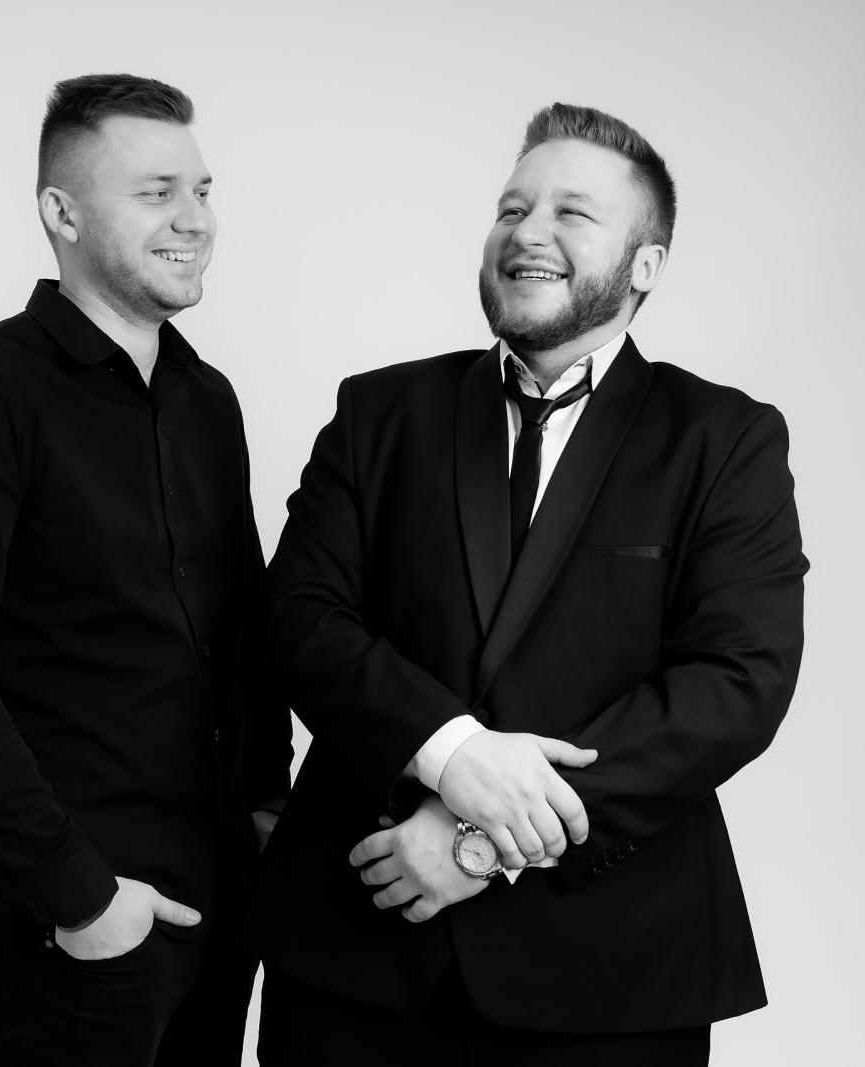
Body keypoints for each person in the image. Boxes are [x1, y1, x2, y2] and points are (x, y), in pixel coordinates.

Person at [254, 103, 807, 1066]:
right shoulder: (378, 411)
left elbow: (735, 683)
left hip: (610, 971)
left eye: (571, 212)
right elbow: (299, 619)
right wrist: (450, 753)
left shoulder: (724, 439)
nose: (528, 231)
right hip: (358, 945)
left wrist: (483, 835)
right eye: (513, 207)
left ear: (645, 264)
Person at [0, 73, 290, 1066]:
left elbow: (243, 628)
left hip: (219, 911)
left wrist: (267, 804)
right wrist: (82, 896)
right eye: (157, 193)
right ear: (61, 214)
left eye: (202, 190)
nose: (195, 219)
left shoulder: (208, 399)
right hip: (75, 928)